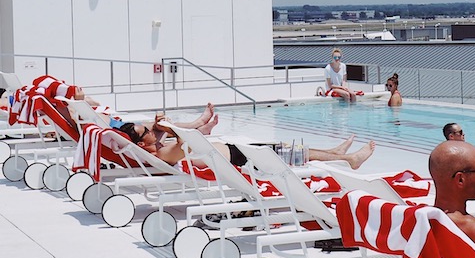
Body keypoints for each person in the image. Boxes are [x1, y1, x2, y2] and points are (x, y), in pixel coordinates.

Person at [119, 117, 376, 170]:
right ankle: (349, 159)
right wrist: (167, 127)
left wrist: (158, 127)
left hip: (235, 152)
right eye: (147, 133)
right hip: (238, 159)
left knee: (290, 148)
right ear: (142, 144)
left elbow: (176, 136)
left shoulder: (158, 148)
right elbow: (186, 140)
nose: (152, 132)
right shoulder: (163, 153)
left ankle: (335, 153)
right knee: (292, 153)